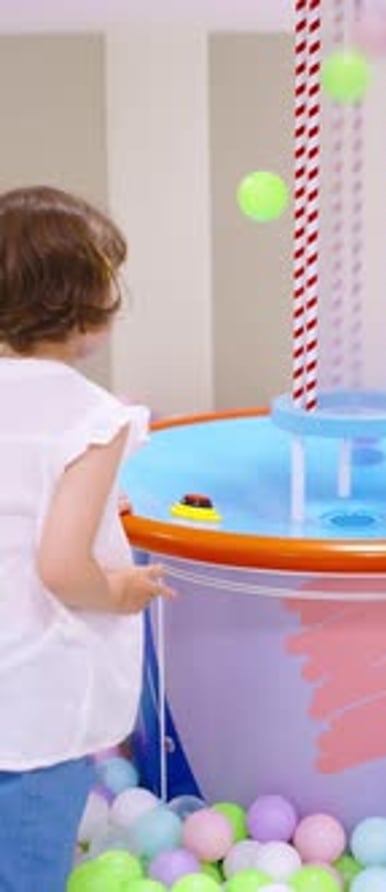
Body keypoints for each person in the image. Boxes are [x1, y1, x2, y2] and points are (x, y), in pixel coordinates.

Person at [0, 185, 174, 891]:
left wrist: (94, 504)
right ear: (87, 307)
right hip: (32, 692)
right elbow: (63, 566)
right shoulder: (92, 418)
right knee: (28, 861)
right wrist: (119, 588)